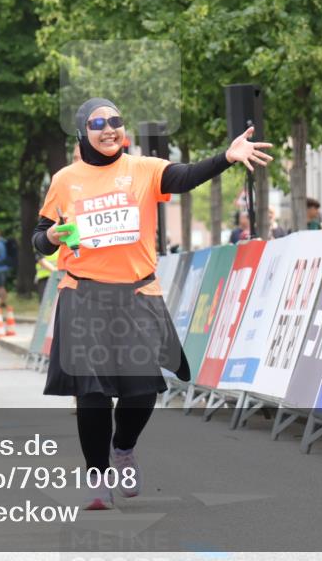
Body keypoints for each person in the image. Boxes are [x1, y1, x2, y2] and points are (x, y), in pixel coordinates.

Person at [32, 97, 272, 510]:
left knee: (141, 392)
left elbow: (186, 175)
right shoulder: (66, 179)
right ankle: (96, 478)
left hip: (137, 293)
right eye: (98, 123)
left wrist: (227, 158)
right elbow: (40, 235)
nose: (109, 129)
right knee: (91, 394)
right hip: (83, 294)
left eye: (116, 121)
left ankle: (123, 447)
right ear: (81, 133)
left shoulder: (143, 169)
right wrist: (51, 238)